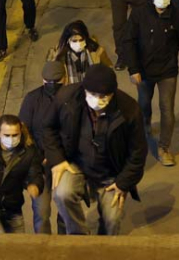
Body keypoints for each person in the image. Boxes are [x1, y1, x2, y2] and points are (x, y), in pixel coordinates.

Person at [44, 64, 148, 235]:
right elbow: (48, 128)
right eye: (93, 95)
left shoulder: (129, 110)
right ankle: (80, 238)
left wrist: (124, 182)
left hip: (111, 173)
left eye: (104, 96)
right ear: (84, 89)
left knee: (112, 220)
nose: (98, 100)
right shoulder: (67, 98)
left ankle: (103, 247)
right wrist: (57, 160)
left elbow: (138, 153)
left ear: (113, 93)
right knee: (62, 194)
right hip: (76, 164)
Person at [121, 0, 179, 167]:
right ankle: (144, 131)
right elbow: (128, 41)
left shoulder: (175, 15)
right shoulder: (139, 14)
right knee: (144, 105)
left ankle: (164, 147)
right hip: (144, 71)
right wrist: (134, 69)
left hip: (167, 70)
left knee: (167, 110)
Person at [19, 61, 67, 234]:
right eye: (49, 81)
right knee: (41, 212)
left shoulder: (73, 98)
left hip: (63, 163)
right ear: (42, 80)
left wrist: (57, 155)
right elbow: (24, 134)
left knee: (65, 210)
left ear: (65, 78)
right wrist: (39, 158)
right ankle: (43, 247)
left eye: (57, 80)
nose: (53, 85)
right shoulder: (32, 100)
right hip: (39, 167)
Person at [48, 20, 114, 83]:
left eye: (81, 40)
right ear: (68, 41)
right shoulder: (59, 57)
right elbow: (52, 80)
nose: (78, 43)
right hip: (70, 92)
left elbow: (108, 69)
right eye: (74, 41)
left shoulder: (96, 51)